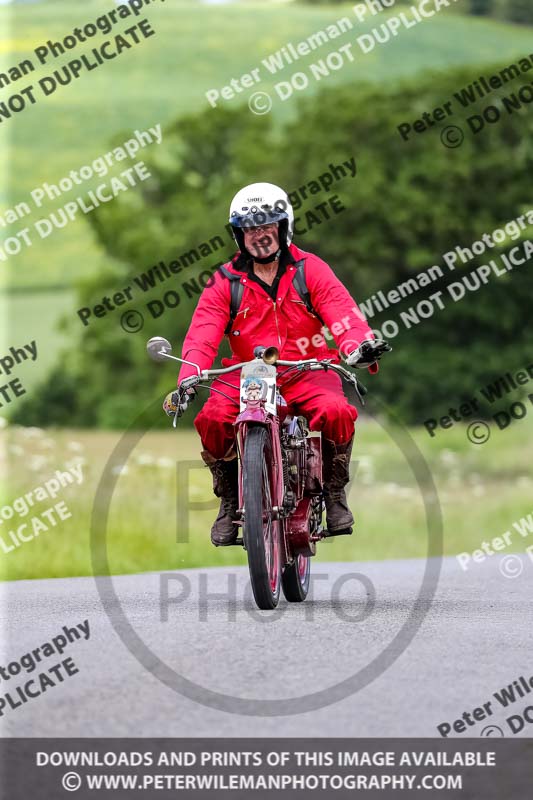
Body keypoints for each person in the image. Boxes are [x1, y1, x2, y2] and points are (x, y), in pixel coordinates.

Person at [165, 182, 390, 546]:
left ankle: (334, 494)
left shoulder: (310, 270)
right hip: (247, 373)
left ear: (284, 227)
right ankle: (231, 499)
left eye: (267, 226)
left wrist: (359, 345)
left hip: (307, 368)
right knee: (210, 420)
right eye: (250, 228)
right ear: (239, 235)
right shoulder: (224, 281)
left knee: (336, 411)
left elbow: (341, 312)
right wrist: (188, 377)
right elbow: (202, 333)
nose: (259, 235)